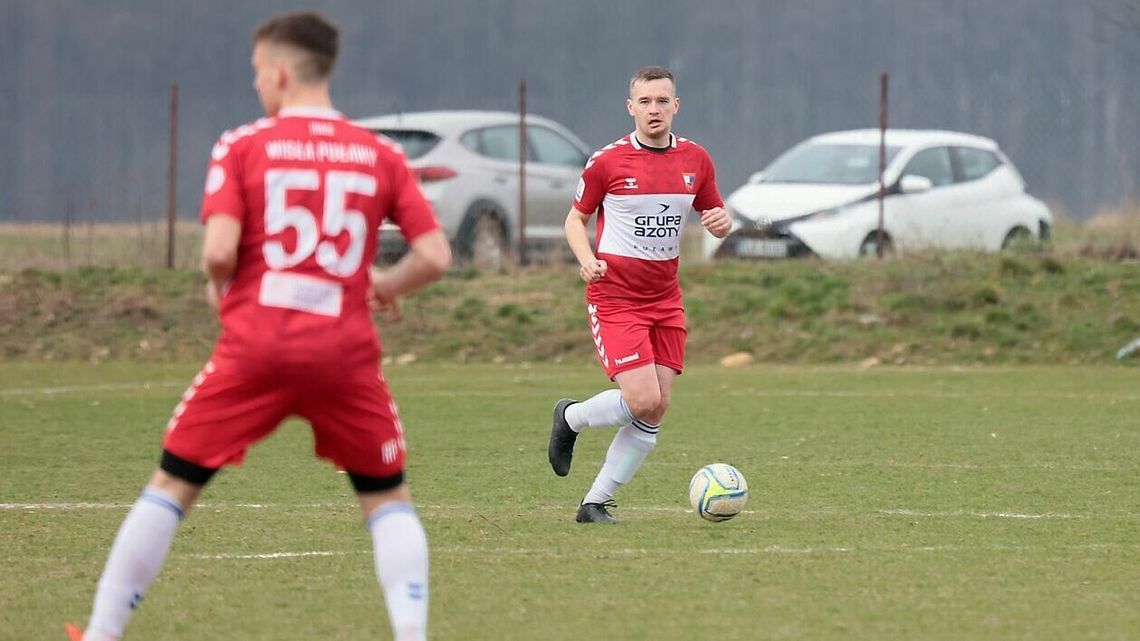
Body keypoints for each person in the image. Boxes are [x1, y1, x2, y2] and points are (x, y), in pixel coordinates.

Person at [66, 11, 450, 641]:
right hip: (343, 350)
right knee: (386, 498)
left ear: (279, 73)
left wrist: (225, 294)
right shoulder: (379, 153)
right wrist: (383, 285)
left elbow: (219, 252)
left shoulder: (242, 145)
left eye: (256, 72)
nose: (255, 84)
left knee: (173, 484)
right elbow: (434, 256)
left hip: (256, 346)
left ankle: (101, 634)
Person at [547, 66, 731, 524]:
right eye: (645, 102)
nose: (654, 110)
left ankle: (594, 502)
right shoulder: (607, 162)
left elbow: (716, 213)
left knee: (657, 405)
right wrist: (586, 258)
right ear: (631, 107)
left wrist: (722, 223)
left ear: (676, 106)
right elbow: (575, 219)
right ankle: (570, 418)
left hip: (665, 298)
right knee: (643, 398)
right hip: (615, 298)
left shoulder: (696, 159)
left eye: (662, 101)